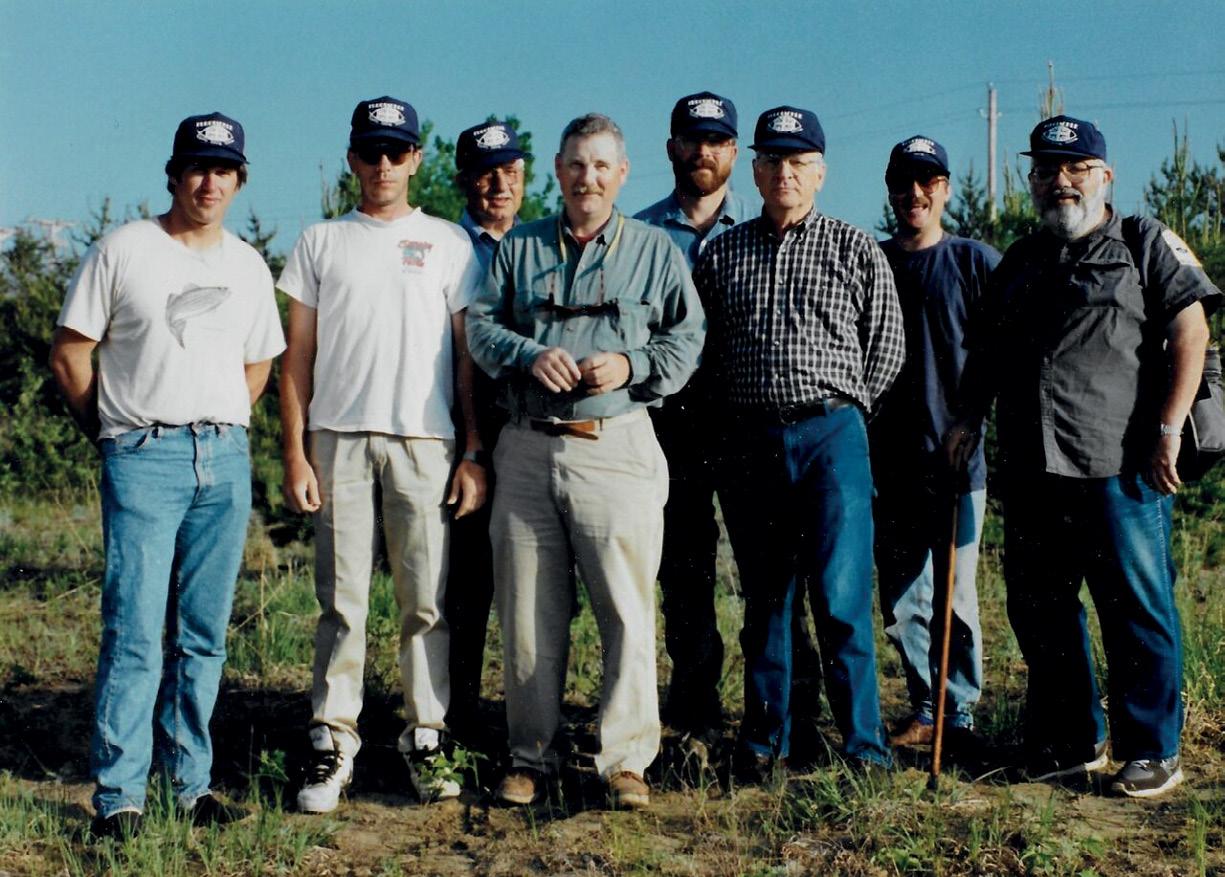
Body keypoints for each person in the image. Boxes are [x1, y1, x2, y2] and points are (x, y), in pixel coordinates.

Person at [946, 115, 1220, 798]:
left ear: (1105, 175)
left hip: (1120, 466)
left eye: (1075, 168)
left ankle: (1152, 749)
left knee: (1136, 607)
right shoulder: (1019, 260)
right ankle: (1071, 739)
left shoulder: (1143, 242)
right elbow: (986, 353)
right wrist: (966, 418)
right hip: (1033, 469)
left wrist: (1169, 427)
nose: (1060, 181)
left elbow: (1191, 332)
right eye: (1045, 169)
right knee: (1041, 609)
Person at [49, 112, 285, 838]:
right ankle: (119, 797)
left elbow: (258, 363)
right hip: (142, 455)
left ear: (240, 180)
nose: (209, 183)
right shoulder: (124, 249)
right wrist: (115, 435)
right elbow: (71, 353)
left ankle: (189, 785)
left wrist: (217, 424)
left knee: (203, 634)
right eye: (197, 168)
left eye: (224, 170)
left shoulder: (247, 265)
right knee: (133, 631)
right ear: (174, 174)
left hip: (223, 458)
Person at [466, 113, 704, 810]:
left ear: (622, 174)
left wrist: (631, 364)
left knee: (625, 607)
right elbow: (480, 324)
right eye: (575, 164)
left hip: (616, 444)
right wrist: (527, 355)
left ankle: (625, 760)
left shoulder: (654, 251)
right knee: (527, 611)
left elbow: (687, 337)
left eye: (601, 166)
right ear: (557, 171)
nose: (587, 178)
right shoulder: (520, 247)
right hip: (526, 446)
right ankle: (530, 756)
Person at [279, 96, 486, 813]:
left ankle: (426, 735)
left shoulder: (449, 243)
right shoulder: (319, 241)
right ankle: (332, 740)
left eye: (396, 151)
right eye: (371, 152)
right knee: (341, 601)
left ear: (416, 159)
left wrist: (472, 448)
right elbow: (296, 358)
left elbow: (465, 360)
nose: (383, 165)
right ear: (352, 160)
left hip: (425, 442)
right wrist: (295, 452)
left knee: (424, 602)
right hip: (336, 439)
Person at [693, 106, 903, 778]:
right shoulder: (722, 254)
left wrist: (840, 413)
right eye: (772, 161)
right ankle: (764, 742)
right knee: (766, 600)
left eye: (798, 162)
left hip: (830, 435)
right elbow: (705, 354)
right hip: (751, 439)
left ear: (819, 172)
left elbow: (886, 347)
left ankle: (864, 746)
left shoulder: (854, 247)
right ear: (755, 172)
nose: (784, 173)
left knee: (840, 599)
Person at [634, 93, 824, 747]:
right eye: (691, 139)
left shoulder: (765, 220)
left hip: (748, 417)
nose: (703, 151)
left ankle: (790, 708)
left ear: (736, 153)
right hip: (672, 420)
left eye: (716, 140)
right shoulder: (640, 234)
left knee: (771, 570)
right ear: (671, 148)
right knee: (683, 568)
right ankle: (694, 707)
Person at [871, 137, 999, 748]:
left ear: (944, 189)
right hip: (888, 463)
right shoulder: (872, 261)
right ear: (890, 191)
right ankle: (926, 707)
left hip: (955, 462)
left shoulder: (975, 262)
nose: (914, 194)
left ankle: (959, 713)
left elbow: (1004, 353)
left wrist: (969, 423)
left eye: (927, 182)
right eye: (903, 183)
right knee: (902, 601)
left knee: (955, 598)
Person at [444, 119, 528, 744]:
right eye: (485, 174)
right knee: (466, 582)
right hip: (461, 430)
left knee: (537, 581)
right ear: (464, 181)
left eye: (510, 172)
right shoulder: (445, 248)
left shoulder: (545, 246)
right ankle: (460, 719)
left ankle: (533, 719)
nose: (499, 185)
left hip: (529, 427)